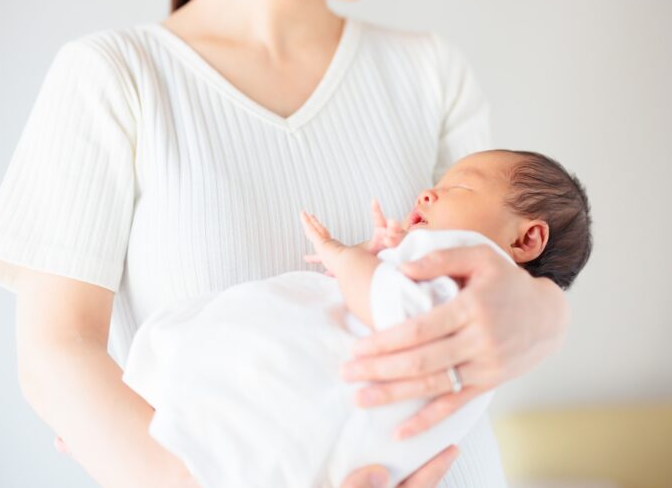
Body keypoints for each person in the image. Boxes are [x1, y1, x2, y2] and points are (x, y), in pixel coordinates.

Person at [0, 0, 573, 486]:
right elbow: (55, 356)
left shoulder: (431, 70)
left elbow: (518, 260)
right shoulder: (116, 75)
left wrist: (548, 315)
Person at [119, 149, 592, 488]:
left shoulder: (472, 267)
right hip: (337, 456)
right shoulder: (474, 300)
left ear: (526, 240)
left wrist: (348, 259)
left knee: (234, 352)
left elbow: (399, 314)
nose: (428, 193)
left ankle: (143, 405)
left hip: (318, 416)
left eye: (458, 187)